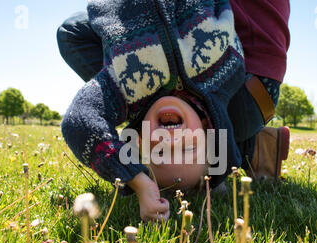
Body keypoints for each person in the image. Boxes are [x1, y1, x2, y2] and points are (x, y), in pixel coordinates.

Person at [57, 0, 290, 223]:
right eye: (188, 148)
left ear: (137, 141)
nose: (169, 140)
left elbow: (77, 122)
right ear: (211, 131)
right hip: (242, 88)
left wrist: (136, 179)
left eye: (158, 152)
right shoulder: (224, 73)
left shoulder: (127, 87)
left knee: (69, 32)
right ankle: (248, 147)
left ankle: (248, 147)